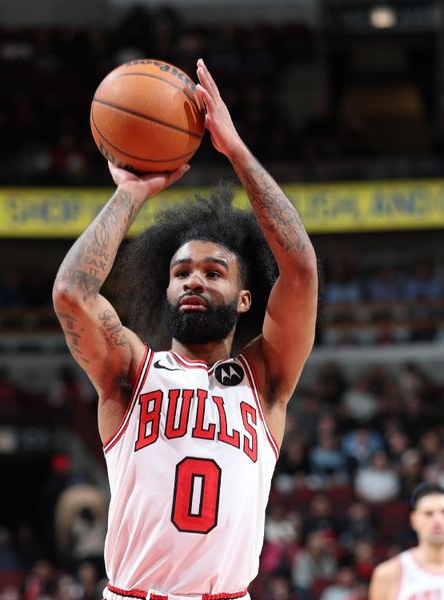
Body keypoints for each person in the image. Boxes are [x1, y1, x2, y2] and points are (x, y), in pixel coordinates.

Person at [52, 58, 318, 600]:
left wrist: (236, 152)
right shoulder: (129, 370)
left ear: (246, 299)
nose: (193, 280)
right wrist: (130, 191)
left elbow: (302, 271)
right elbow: (71, 295)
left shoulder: (265, 377)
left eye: (213, 272)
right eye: (181, 273)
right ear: (166, 289)